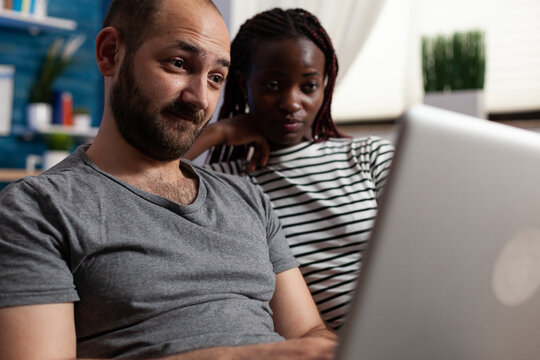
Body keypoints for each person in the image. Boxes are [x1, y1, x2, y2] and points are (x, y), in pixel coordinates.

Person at [0, 1, 337, 359]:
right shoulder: (36, 210)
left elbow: (308, 330)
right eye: (178, 64)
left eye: (215, 78)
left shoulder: (247, 198)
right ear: (110, 53)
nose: (200, 99)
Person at [185, 8, 395, 330]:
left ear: (325, 86)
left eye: (308, 86)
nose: (291, 102)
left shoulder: (369, 156)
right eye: (272, 85)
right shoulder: (227, 181)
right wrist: (220, 132)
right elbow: (150, 177)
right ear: (243, 84)